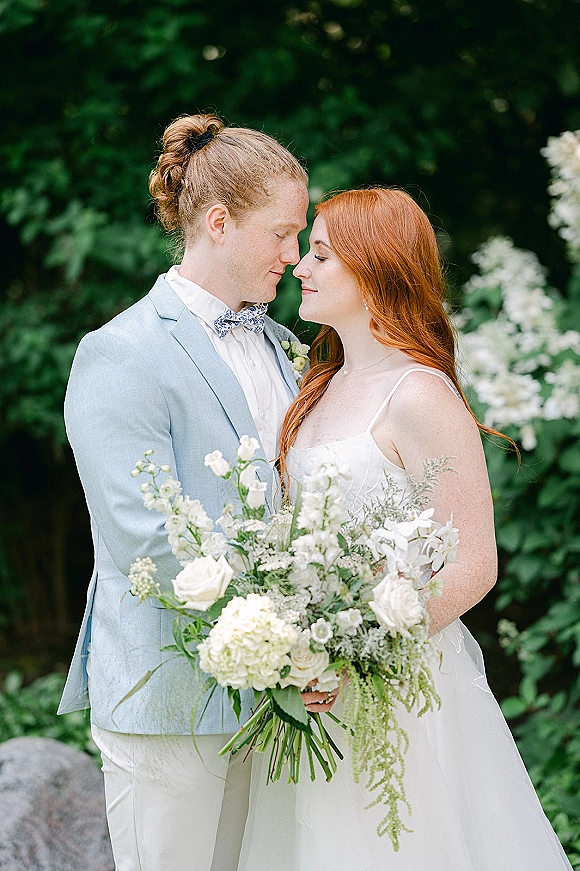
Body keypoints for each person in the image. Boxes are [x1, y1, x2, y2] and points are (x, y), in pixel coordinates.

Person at [236, 188, 573, 870]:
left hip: (404, 693)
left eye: (322, 254)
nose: (301, 266)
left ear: (376, 268)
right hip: (317, 691)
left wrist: (360, 652)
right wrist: (299, 645)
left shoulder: (419, 394)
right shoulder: (316, 385)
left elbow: (473, 562)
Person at [57, 113, 310, 871]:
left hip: (271, 697)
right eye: (283, 232)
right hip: (167, 694)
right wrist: (286, 645)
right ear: (221, 221)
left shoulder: (280, 344)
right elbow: (147, 536)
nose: (295, 257)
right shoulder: (120, 352)